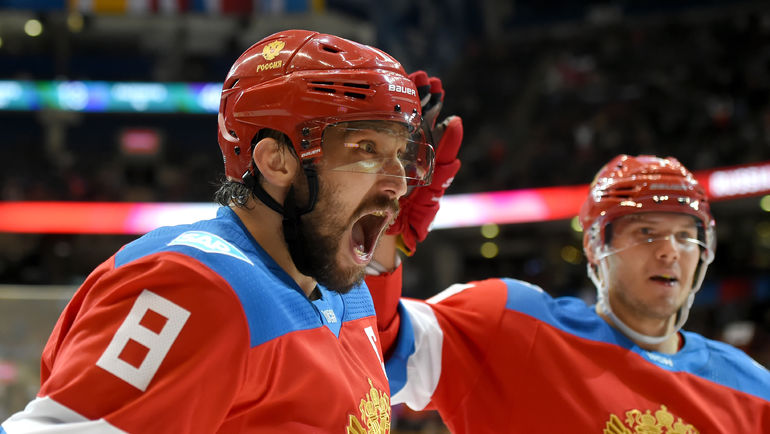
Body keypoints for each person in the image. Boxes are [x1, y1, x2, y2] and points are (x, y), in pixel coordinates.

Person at [1, 29, 440, 433]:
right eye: (366, 149)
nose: (400, 184)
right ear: (276, 162)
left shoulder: (340, 288)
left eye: (400, 154)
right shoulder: (191, 287)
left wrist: (385, 250)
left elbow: (349, 388)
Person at [368, 153, 770, 432]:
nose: (670, 251)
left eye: (685, 236)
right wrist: (379, 232)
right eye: (646, 232)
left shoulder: (753, 390)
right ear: (596, 246)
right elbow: (369, 349)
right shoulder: (508, 323)